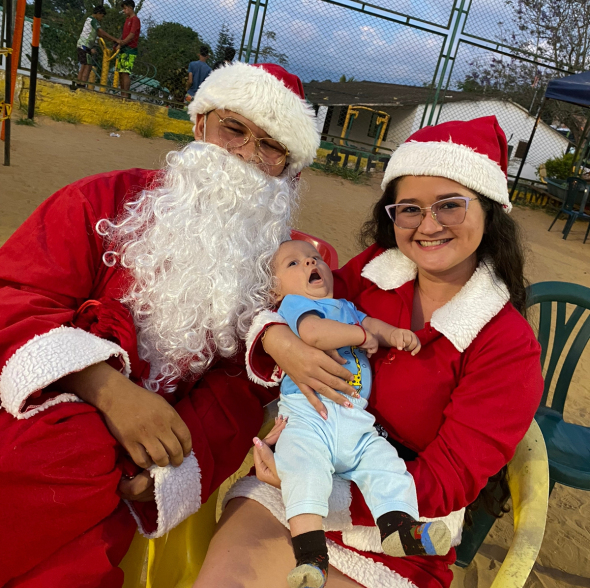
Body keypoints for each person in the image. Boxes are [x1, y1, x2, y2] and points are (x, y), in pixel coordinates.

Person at [0, 62, 322, 588]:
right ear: (199, 124)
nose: (245, 154)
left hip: (135, 464)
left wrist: (167, 465)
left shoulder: (283, 268)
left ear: (290, 171)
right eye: (233, 129)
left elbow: (240, 390)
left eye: (271, 147)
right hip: (42, 416)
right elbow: (17, 296)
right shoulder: (100, 200)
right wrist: (104, 388)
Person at [193, 116, 545, 588]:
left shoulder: (508, 345)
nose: (429, 225)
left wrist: (326, 493)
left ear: (489, 210)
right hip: (297, 476)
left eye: (450, 205)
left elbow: (449, 480)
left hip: (398, 518)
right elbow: (288, 300)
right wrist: (278, 340)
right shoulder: (375, 271)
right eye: (410, 209)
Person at [269, 239, 450, 588]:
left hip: (354, 416)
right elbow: (314, 334)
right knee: (303, 470)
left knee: (385, 463)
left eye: (315, 258)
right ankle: (310, 555)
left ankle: (398, 526)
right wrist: (360, 334)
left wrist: (394, 334)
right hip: (309, 414)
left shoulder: (346, 306)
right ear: (276, 291)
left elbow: (375, 326)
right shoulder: (295, 305)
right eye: (294, 264)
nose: (310, 264)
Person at [75, 5, 119, 89]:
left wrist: (111, 40)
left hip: (83, 45)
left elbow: (100, 34)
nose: (102, 18)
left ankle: (79, 83)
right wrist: (115, 39)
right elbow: (101, 32)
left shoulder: (89, 19)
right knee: (87, 66)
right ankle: (81, 85)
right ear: (98, 13)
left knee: (84, 65)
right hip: (84, 45)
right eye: (102, 16)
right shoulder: (93, 20)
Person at [115, 0, 140, 99]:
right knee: (120, 72)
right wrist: (118, 42)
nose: (124, 11)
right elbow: (124, 34)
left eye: (125, 9)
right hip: (123, 48)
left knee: (125, 72)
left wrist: (122, 43)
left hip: (130, 49)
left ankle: (125, 95)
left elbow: (131, 35)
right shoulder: (127, 19)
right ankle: (122, 94)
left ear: (130, 8)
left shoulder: (135, 20)